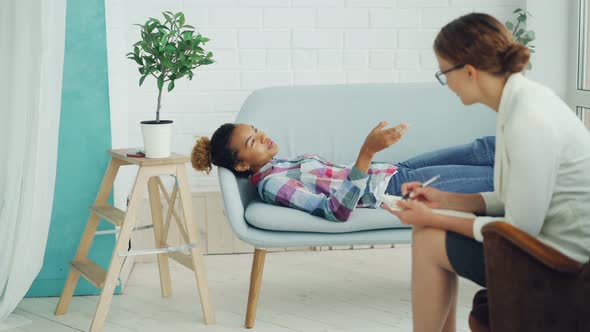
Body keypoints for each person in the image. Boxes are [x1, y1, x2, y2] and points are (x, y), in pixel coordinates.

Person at [381, 13, 590, 332]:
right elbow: (513, 198)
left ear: (468, 71)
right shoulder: (521, 102)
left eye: (443, 73)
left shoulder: (528, 119)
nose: (445, 84)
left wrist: (433, 218)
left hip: (564, 266)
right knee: (427, 234)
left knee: (427, 238)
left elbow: (520, 229)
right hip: (551, 246)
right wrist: (445, 199)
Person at [191, 120, 495, 222]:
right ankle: (543, 181)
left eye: (256, 130)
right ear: (242, 165)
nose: (262, 136)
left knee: (482, 149)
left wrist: (372, 159)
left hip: (392, 170)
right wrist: (367, 151)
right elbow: (335, 211)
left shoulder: (279, 163)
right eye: (252, 141)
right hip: (391, 187)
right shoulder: (271, 184)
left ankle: (540, 146)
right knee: (495, 179)